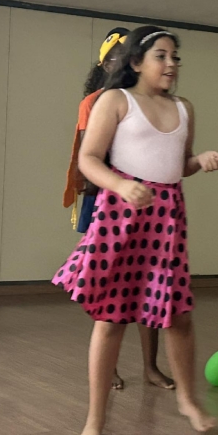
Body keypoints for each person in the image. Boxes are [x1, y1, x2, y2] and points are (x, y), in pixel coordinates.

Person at [53, 25, 218, 435]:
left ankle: (188, 400)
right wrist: (120, 185)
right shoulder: (116, 100)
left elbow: (177, 164)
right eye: (160, 56)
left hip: (166, 217)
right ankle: (95, 419)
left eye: (174, 57)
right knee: (111, 319)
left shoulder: (184, 108)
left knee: (178, 315)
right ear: (136, 62)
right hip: (120, 215)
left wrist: (199, 161)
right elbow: (89, 159)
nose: (170, 64)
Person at [62, 27, 173, 391]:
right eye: (114, 58)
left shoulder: (156, 100)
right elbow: (89, 155)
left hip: (147, 202)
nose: (120, 64)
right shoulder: (97, 102)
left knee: (150, 283)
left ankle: (151, 366)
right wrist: (115, 185)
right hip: (107, 200)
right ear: (105, 64)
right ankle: (106, 366)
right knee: (110, 286)